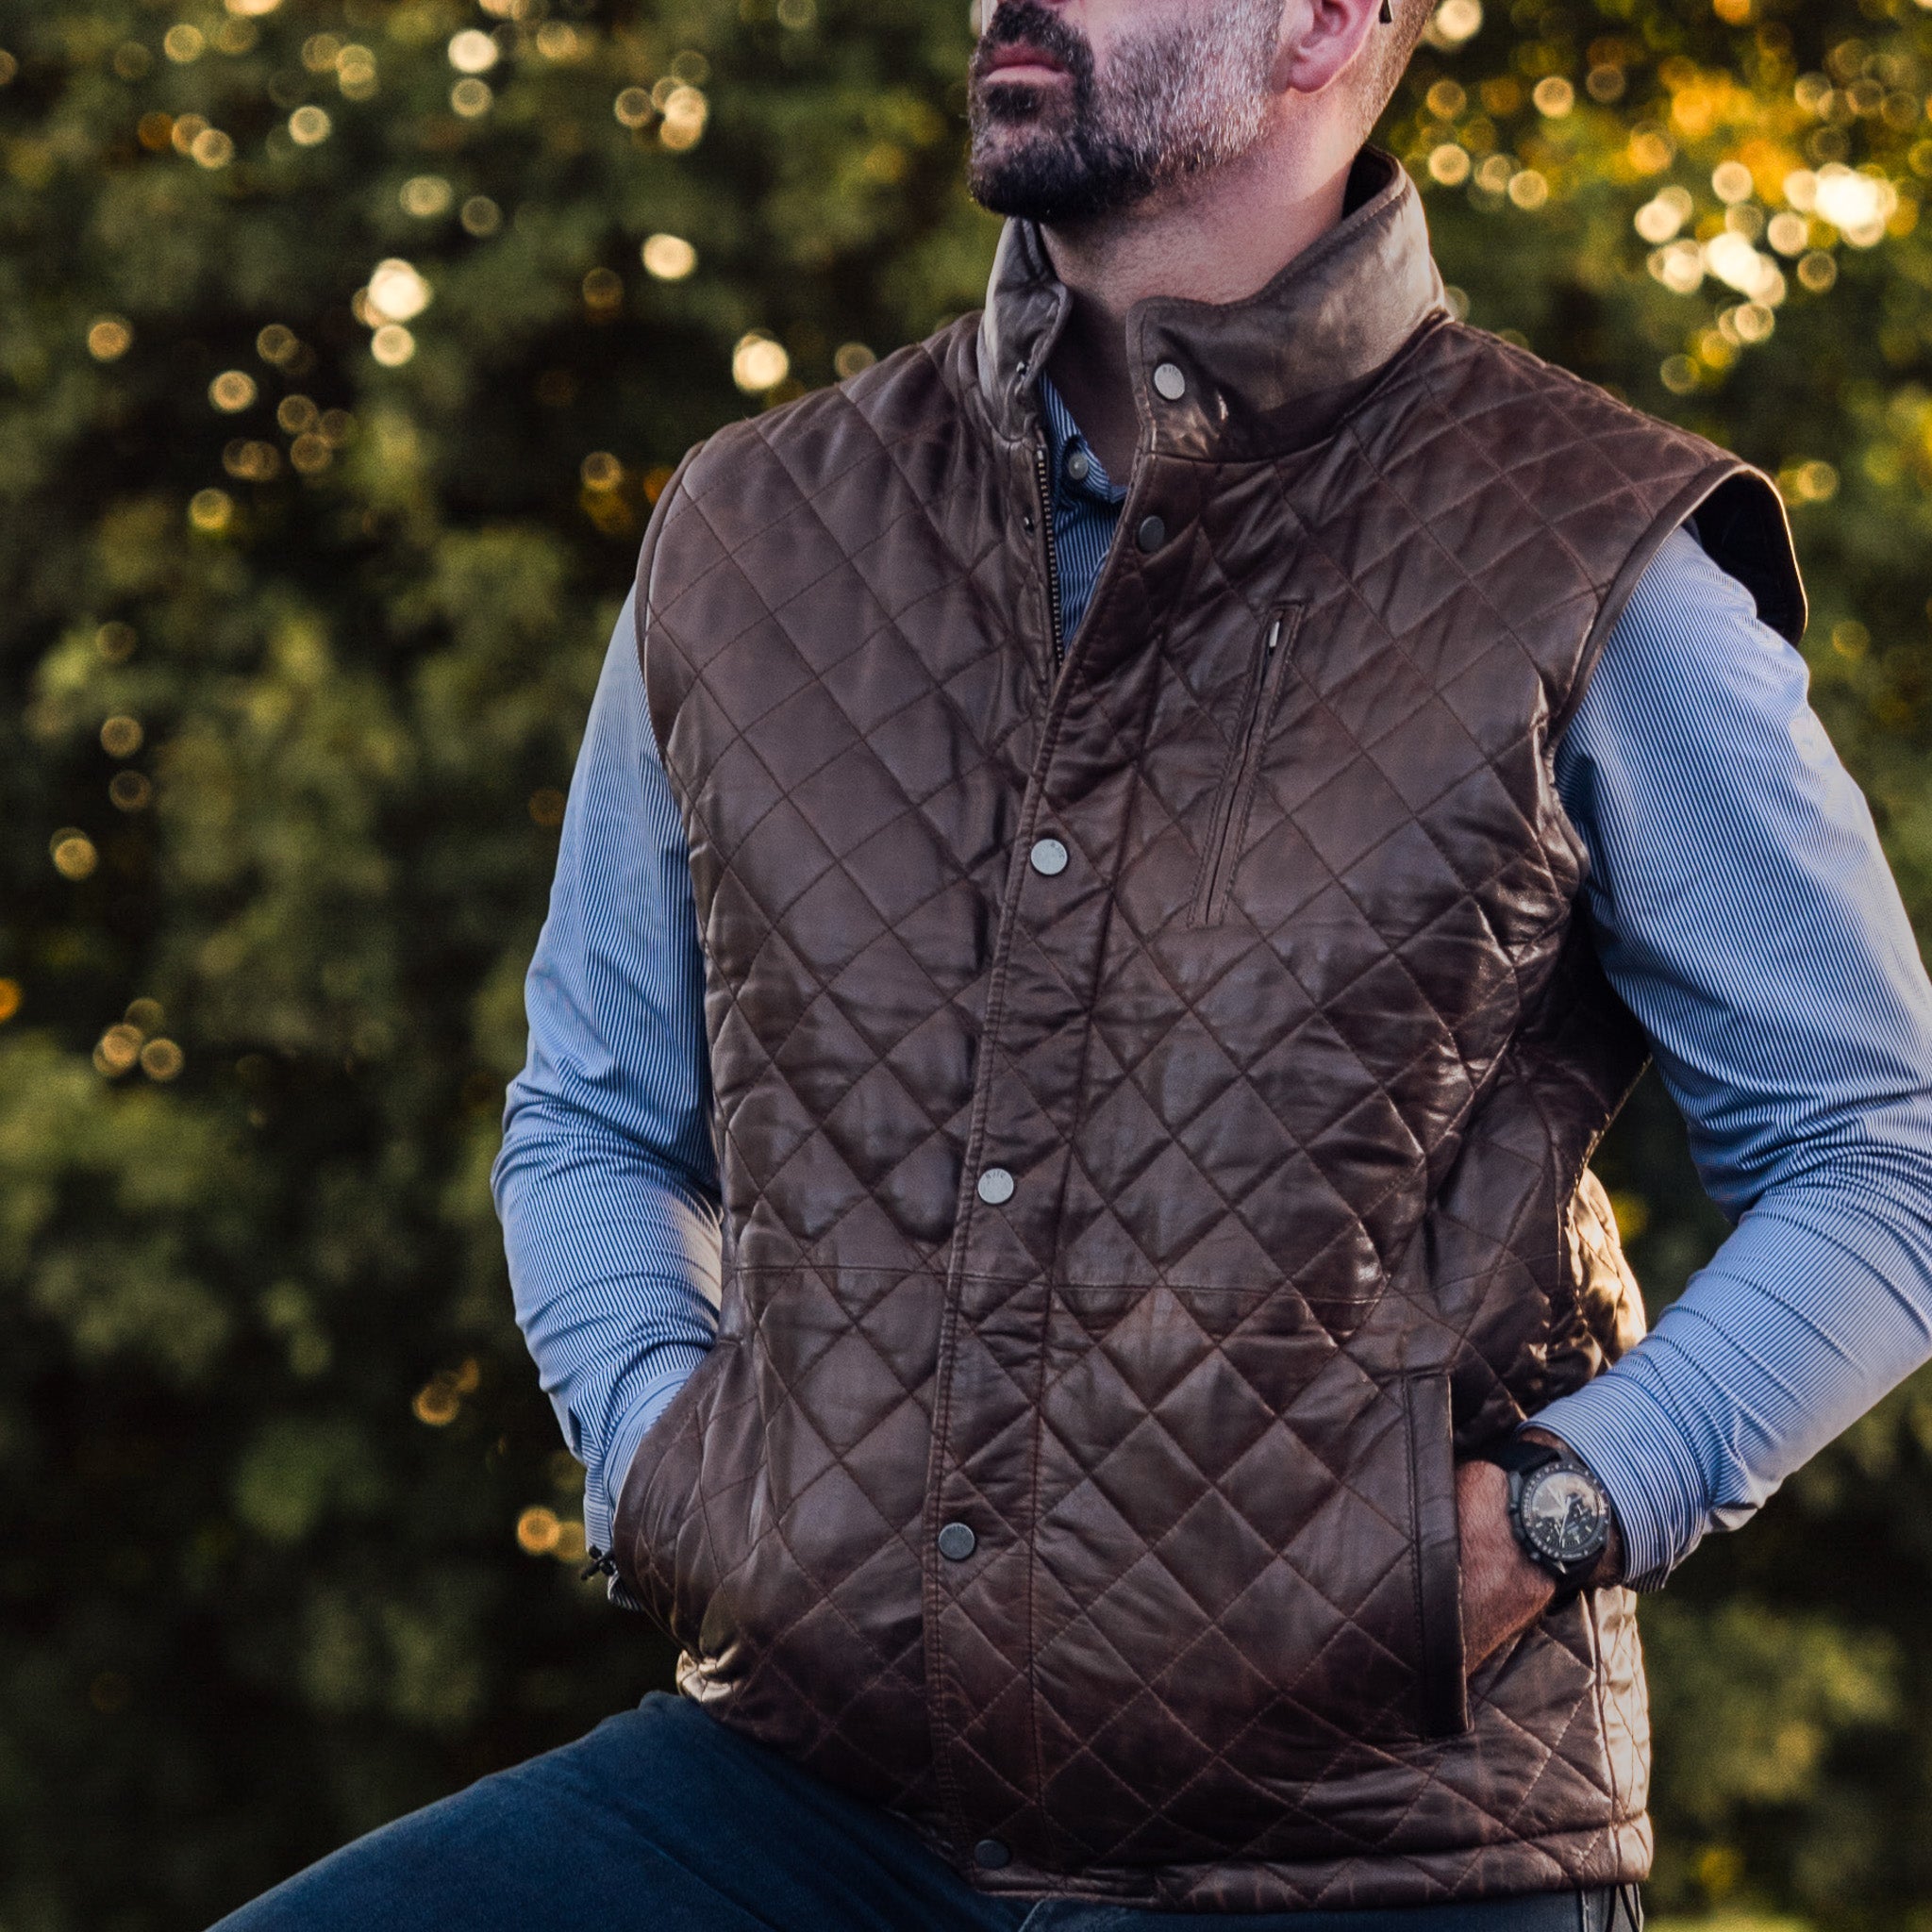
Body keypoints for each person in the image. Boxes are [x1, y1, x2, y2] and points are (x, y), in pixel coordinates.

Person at [218, 0, 1932, 1927]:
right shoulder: (752, 529)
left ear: (1328, 22)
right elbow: (596, 1119)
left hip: (1364, 1844)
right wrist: (665, 1467)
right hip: (808, 1794)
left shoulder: (1591, 552)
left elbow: (1879, 1153)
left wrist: (1560, 1510)